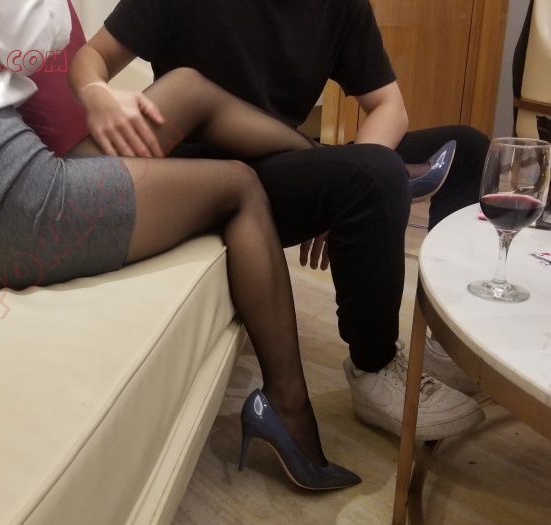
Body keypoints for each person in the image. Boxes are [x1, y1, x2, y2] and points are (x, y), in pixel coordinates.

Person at [0, 0, 380, 490]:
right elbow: (29, 48)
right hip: (4, 198)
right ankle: (289, 412)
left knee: (187, 87)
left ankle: (331, 165)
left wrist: (98, 93)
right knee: (240, 187)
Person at [70, 0, 488, 445]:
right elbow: (91, 56)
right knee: (377, 174)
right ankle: (375, 366)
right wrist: (96, 92)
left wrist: (348, 167)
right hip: (212, 179)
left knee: (468, 149)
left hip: (288, 160)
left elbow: (389, 106)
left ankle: (445, 347)